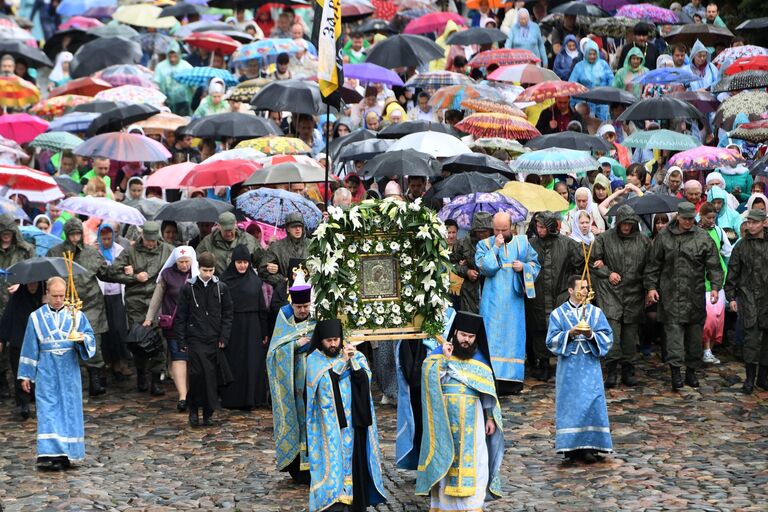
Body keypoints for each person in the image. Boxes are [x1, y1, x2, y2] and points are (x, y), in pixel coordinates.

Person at [415, 311, 505, 509]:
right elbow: (427, 381)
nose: (466, 340)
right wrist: (444, 360)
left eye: (471, 337)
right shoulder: (438, 355)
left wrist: (490, 417)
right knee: (446, 458)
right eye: (463, 335)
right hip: (445, 420)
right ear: (455, 332)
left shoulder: (480, 361)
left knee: (477, 460)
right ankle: (445, 507)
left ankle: (472, 506)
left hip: (474, 420)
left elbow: (487, 391)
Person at [305, 318, 386, 511]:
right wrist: (342, 363)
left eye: (336, 339)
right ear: (321, 341)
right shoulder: (314, 360)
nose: (333, 344)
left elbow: (365, 380)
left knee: (354, 462)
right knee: (333, 464)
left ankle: (355, 501)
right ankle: (332, 501)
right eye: (328, 341)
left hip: (353, 424)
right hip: (328, 426)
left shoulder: (356, 357)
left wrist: (353, 364)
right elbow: (324, 384)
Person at [18, 277, 96, 470]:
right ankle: (49, 453)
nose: (59, 299)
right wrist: (26, 374)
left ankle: (67, 453)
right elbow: (29, 346)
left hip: (69, 370)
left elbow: (90, 339)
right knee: (48, 409)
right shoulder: (35, 317)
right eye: (55, 296)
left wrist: (81, 340)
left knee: (69, 409)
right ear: (47, 294)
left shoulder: (76, 316)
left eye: (62, 295)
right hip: (47, 370)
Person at [645, 202, 724, 390]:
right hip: (670, 295)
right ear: (678, 217)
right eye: (685, 218)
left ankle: (691, 372)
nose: (688, 222)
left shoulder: (703, 237)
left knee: (694, 338)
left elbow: (714, 265)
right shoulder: (664, 237)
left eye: (691, 218)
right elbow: (653, 265)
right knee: (673, 338)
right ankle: (675, 373)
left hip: (694, 295)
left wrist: (715, 287)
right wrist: (651, 287)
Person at [546, 275, 613, 463]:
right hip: (569, 369)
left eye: (586, 287)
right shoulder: (558, 314)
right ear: (570, 290)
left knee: (592, 402)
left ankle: (591, 446)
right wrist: (570, 333)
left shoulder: (596, 313)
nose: (585, 291)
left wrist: (591, 335)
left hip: (590, 366)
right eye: (581, 287)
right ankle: (571, 448)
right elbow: (551, 341)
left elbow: (608, 338)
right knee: (571, 405)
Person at [106, 221, 174, 395]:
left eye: (153, 240)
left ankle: (156, 377)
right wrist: (135, 277)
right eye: (147, 240)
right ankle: (141, 373)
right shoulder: (130, 251)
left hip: (158, 299)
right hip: (136, 301)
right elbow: (112, 272)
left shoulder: (167, 250)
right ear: (142, 236)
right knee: (139, 339)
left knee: (158, 339)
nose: (150, 244)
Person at [475, 212, 540, 394]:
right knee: (491, 337)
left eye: (504, 229)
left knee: (513, 337)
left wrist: (524, 268)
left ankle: (512, 381)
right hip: (492, 300)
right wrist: (495, 247)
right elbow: (486, 268)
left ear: (511, 226)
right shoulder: (484, 244)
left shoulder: (523, 243)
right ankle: (491, 378)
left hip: (513, 301)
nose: (501, 233)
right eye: (497, 230)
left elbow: (535, 265)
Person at [47, 218, 108, 397]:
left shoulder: (91, 253)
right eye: (72, 234)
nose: (75, 238)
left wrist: (130, 275)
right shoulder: (55, 253)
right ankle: (68, 381)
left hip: (91, 303)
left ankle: (95, 377)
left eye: (77, 234)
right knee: (65, 342)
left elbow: (105, 273)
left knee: (93, 340)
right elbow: (47, 277)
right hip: (64, 304)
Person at [266, 274, 316, 483]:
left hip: (313, 382)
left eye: (306, 306)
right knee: (297, 420)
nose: (303, 311)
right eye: (299, 307)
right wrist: (295, 345)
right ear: (292, 305)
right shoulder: (284, 319)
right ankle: (297, 467)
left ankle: (316, 464)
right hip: (293, 386)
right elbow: (273, 353)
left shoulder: (316, 319)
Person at [592, 205, 649, 387]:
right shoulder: (605, 239)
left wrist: (649, 288)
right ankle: (611, 369)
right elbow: (594, 261)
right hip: (611, 292)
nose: (626, 227)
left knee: (630, 335)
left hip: (634, 292)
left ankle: (628, 368)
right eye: (623, 224)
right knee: (613, 332)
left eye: (629, 224)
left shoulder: (643, 241)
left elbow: (651, 267)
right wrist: (608, 272)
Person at [173, 252, 233, 427]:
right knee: (197, 375)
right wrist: (181, 340)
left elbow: (228, 314)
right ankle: (193, 410)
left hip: (214, 339)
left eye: (211, 270)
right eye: (205, 270)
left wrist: (224, 336)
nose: (208, 274)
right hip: (195, 338)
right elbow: (181, 316)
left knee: (211, 377)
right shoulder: (188, 288)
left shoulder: (221, 288)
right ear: (198, 268)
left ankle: (208, 413)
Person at [395, 308, 456, 470]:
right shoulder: (408, 312)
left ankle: (437, 466)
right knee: (419, 421)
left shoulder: (449, 315)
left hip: (438, 379)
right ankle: (424, 466)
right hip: (416, 376)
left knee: (437, 423)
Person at [527, 211, 582, 382]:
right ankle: (543, 364)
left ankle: (564, 363)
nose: (539, 229)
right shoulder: (531, 244)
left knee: (562, 328)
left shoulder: (566, 244)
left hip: (560, 294)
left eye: (543, 226)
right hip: (538, 294)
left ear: (550, 227)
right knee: (539, 330)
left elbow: (581, 262)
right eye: (537, 226)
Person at [144, 245, 198, 411]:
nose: (184, 265)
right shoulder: (167, 275)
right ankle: (183, 396)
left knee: (192, 359)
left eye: (186, 261)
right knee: (178, 357)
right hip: (174, 325)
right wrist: (149, 318)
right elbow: (157, 297)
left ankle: (192, 392)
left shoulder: (197, 274)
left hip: (194, 325)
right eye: (180, 262)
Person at [220, 245, 270, 409]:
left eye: (245, 262)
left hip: (253, 326)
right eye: (239, 262)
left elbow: (262, 307)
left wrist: (264, 330)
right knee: (234, 361)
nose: (242, 266)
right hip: (233, 326)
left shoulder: (255, 281)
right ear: (233, 262)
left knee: (252, 362)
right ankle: (233, 398)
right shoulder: (224, 281)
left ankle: (252, 398)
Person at [725, 209, 768, 393]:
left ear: (764, 223)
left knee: (766, 338)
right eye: (749, 222)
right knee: (751, 336)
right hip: (748, 294)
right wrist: (731, 296)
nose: (751, 225)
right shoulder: (741, 246)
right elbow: (733, 271)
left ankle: (763, 378)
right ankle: (750, 378)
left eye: (755, 222)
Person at [0, 214, 35, 398]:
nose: (6, 235)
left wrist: (21, 285)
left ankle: (23, 382)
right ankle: (2, 379)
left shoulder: (25, 250)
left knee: (19, 346)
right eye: (3, 232)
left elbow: (34, 272)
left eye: (9, 232)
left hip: (19, 304)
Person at [0, 280, 43, 420]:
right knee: (19, 372)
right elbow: (7, 318)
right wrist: (2, 339)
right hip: (19, 341)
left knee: (39, 373)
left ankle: (38, 401)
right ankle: (23, 403)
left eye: (35, 284)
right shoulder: (18, 298)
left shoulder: (44, 299)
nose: (32, 287)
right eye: (30, 284)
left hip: (39, 342)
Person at [451, 212, 493, 313]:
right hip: (470, 291)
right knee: (470, 323)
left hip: (491, 288)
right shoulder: (464, 242)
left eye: (485, 231)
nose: (482, 235)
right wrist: (467, 271)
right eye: (479, 231)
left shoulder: (496, 242)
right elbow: (452, 263)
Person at [196, 211, 262, 276]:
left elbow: (261, 261)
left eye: (230, 230)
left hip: (243, 283)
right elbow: (197, 261)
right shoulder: (208, 241)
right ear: (219, 226)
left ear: (235, 225)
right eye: (225, 231)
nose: (229, 234)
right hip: (219, 283)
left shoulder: (249, 240)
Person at [259, 212, 309, 289]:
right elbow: (263, 270)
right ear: (288, 229)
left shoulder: (312, 244)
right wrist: (282, 281)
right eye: (294, 226)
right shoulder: (276, 247)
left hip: (309, 291)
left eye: (300, 226)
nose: (298, 229)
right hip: (285, 294)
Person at [569, 39, 614, 120]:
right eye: (590, 54)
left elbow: (611, 81)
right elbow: (572, 85)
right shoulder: (579, 66)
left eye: (594, 54)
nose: (592, 56)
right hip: (585, 103)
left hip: (603, 102)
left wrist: (609, 97)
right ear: (585, 53)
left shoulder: (603, 64)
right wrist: (574, 103)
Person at [154, 42, 193, 116]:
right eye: (170, 56)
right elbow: (156, 84)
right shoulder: (160, 67)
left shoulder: (187, 67)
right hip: (166, 102)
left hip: (184, 102)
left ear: (179, 55)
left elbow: (193, 84)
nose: (173, 59)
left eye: (175, 56)